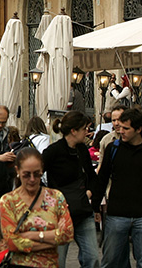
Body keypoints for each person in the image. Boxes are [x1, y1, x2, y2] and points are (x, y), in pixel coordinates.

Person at [93, 108, 142, 268]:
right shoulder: (113, 149)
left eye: (126, 128)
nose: (120, 131)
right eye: (119, 127)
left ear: (139, 129)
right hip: (116, 214)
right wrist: (95, 207)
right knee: (111, 261)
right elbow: (102, 179)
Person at [43, 111, 101, 268]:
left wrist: (89, 193)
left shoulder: (82, 150)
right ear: (74, 131)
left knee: (92, 257)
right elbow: (36, 176)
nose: (87, 133)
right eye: (84, 129)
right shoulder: (53, 151)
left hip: (82, 211)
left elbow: (91, 176)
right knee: (58, 261)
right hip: (60, 215)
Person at [0, 147, 74, 267]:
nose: (32, 179)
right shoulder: (8, 201)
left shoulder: (56, 197)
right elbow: (12, 243)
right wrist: (52, 240)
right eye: (26, 175)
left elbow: (68, 234)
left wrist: (31, 235)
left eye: (37, 174)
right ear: (17, 171)